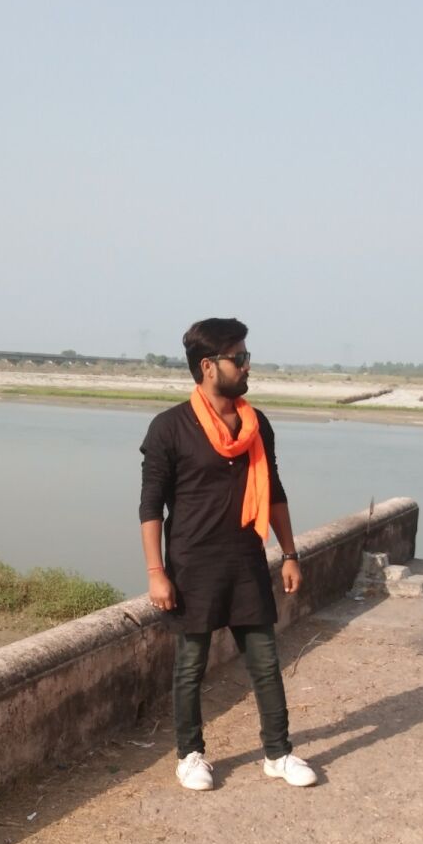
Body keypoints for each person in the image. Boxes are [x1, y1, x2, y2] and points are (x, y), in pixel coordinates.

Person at [139, 317, 317, 791]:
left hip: (245, 559)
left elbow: (274, 491)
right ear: (208, 366)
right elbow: (151, 505)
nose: (247, 366)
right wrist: (156, 571)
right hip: (192, 565)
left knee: (265, 661)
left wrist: (290, 553)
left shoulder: (257, 426)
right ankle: (190, 755)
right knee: (191, 666)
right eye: (238, 358)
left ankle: (278, 753)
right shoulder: (169, 427)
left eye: (246, 356)